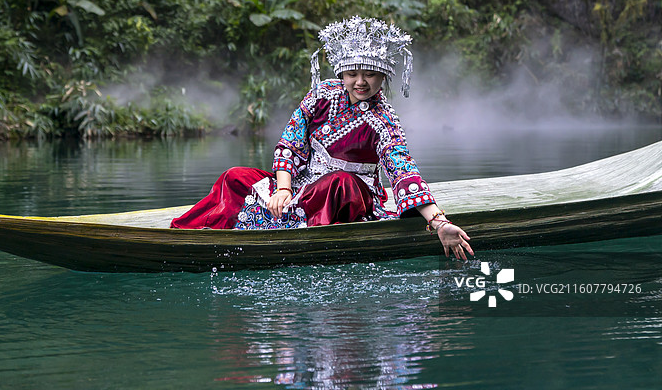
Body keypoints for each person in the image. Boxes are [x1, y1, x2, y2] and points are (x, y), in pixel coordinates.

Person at [171, 16, 473, 260]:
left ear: (382, 76)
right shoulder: (321, 95)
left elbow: (404, 172)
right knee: (235, 176)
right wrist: (284, 189)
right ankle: (192, 237)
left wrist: (439, 223)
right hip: (300, 187)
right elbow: (290, 142)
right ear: (341, 74)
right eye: (352, 73)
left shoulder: (385, 121)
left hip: (349, 194)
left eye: (369, 74)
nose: (360, 82)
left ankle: (294, 237)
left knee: (337, 183)